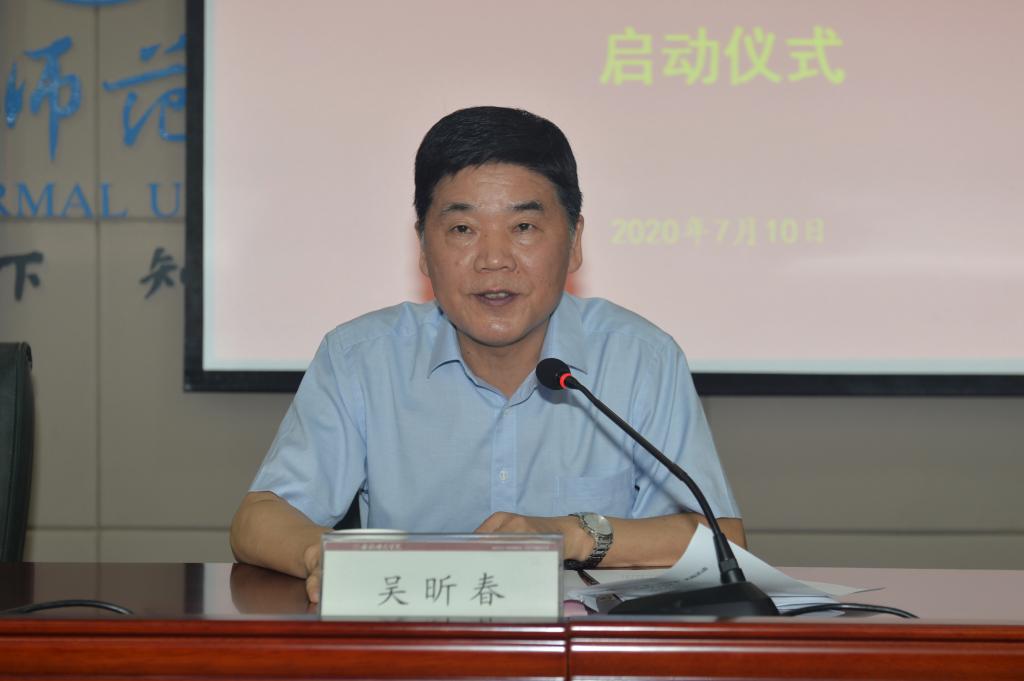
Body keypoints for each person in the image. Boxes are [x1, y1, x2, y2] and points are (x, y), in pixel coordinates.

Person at [230, 106, 745, 603]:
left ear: (574, 242)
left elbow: (720, 539)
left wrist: (568, 535)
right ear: (423, 247)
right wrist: (324, 556)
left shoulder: (640, 358)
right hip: (415, 647)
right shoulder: (361, 359)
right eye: (463, 230)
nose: (494, 260)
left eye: (523, 228)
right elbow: (258, 518)